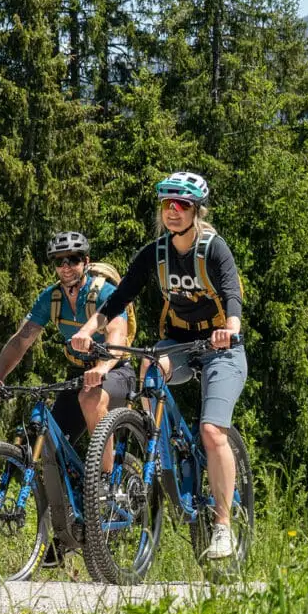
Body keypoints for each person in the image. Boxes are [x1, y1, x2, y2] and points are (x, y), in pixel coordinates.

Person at [72, 172, 247, 560]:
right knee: (149, 371)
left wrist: (230, 328)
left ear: (196, 211)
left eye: (182, 205)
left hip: (222, 347)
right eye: (167, 205)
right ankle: (163, 445)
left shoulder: (213, 248)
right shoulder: (156, 252)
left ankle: (223, 527)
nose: (173, 212)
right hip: (180, 343)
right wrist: (88, 329)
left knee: (213, 431)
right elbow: (118, 299)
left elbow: (232, 294)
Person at [0, 230, 135, 561]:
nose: (66, 267)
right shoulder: (50, 299)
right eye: (59, 262)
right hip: (81, 376)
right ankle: (68, 530)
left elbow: (117, 333)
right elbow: (21, 340)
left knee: (90, 398)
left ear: (86, 262)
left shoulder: (104, 292)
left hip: (116, 370)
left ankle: (107, 484)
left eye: (74, 260)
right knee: (47, 445)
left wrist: (104, 367)